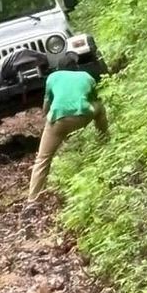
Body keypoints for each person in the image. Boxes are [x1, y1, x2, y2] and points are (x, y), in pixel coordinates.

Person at [26, 53, 108, 203]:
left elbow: (46, 108)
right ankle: (104, 140)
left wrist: (50, 119)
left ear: (59, 67)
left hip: (58, 120)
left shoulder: (52, 77)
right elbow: (94, 98)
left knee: (42, 159)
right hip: (83, 116)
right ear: (76, 66)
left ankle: (32, 200)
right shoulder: (86, 77)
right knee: (100, 108)